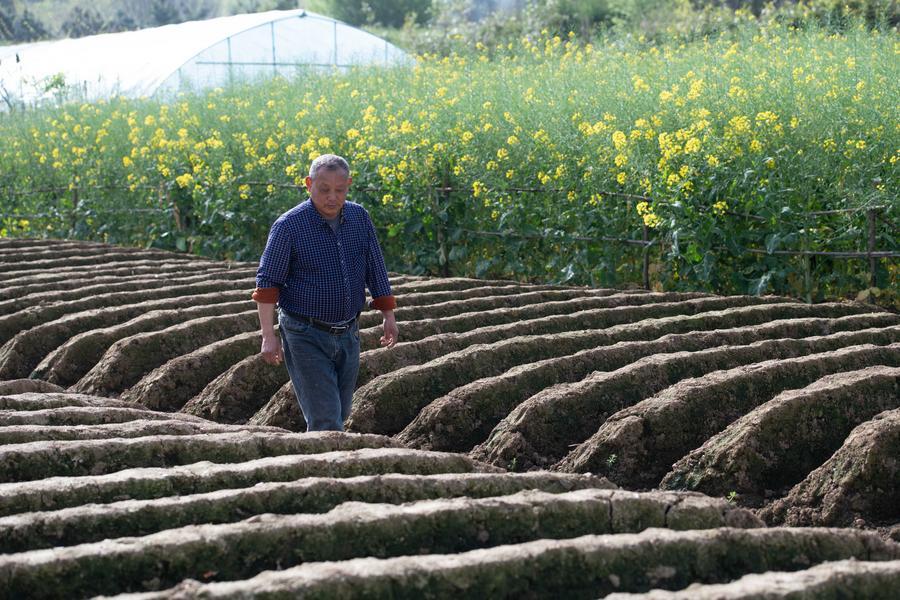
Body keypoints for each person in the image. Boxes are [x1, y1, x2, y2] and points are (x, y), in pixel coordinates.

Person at [252, 154, 399, 431]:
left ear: (348, 185)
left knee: (340, 412)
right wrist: (268, 336)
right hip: (304, 333)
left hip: (348, 332)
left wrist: (388, 315)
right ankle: (326, 458)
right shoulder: (289, 226)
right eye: (324, 189)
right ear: (309, 184)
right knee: (326, 421)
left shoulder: (359, 218)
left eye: (339, 190)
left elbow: (375, 267)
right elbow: (268, 284)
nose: (332, 197)